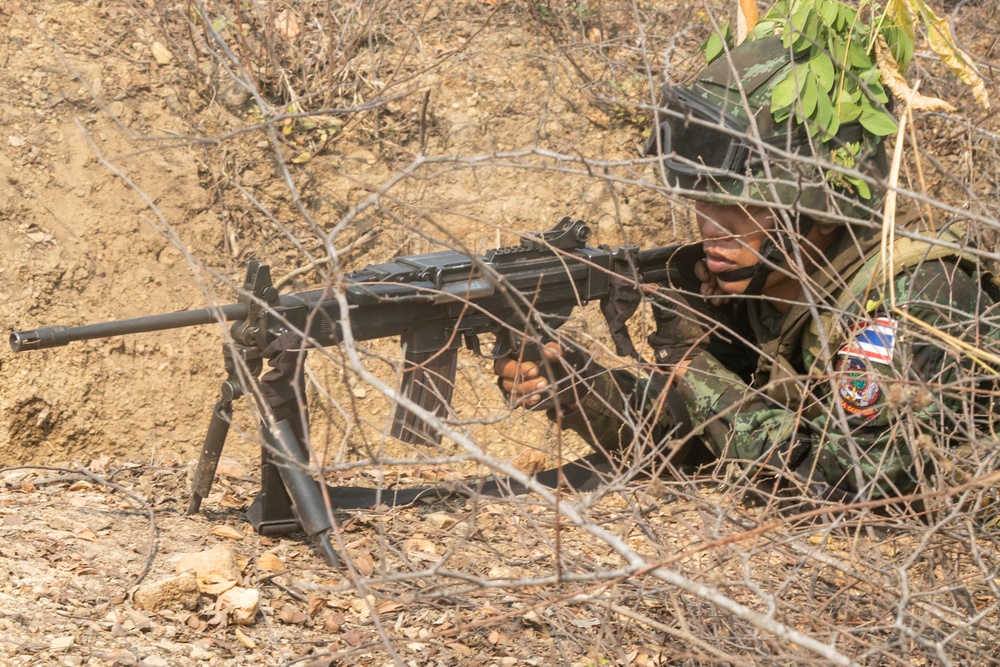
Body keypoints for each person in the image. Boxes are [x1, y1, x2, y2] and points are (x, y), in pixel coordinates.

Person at [494, 35, 1000, 502]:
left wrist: (698, 374)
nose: (710, 225)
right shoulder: (786, 284)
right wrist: (581, 388)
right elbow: (689, 439)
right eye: (701, 201)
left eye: (740, 207)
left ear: (821, 212)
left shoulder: (901, 300)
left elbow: (847, 483)